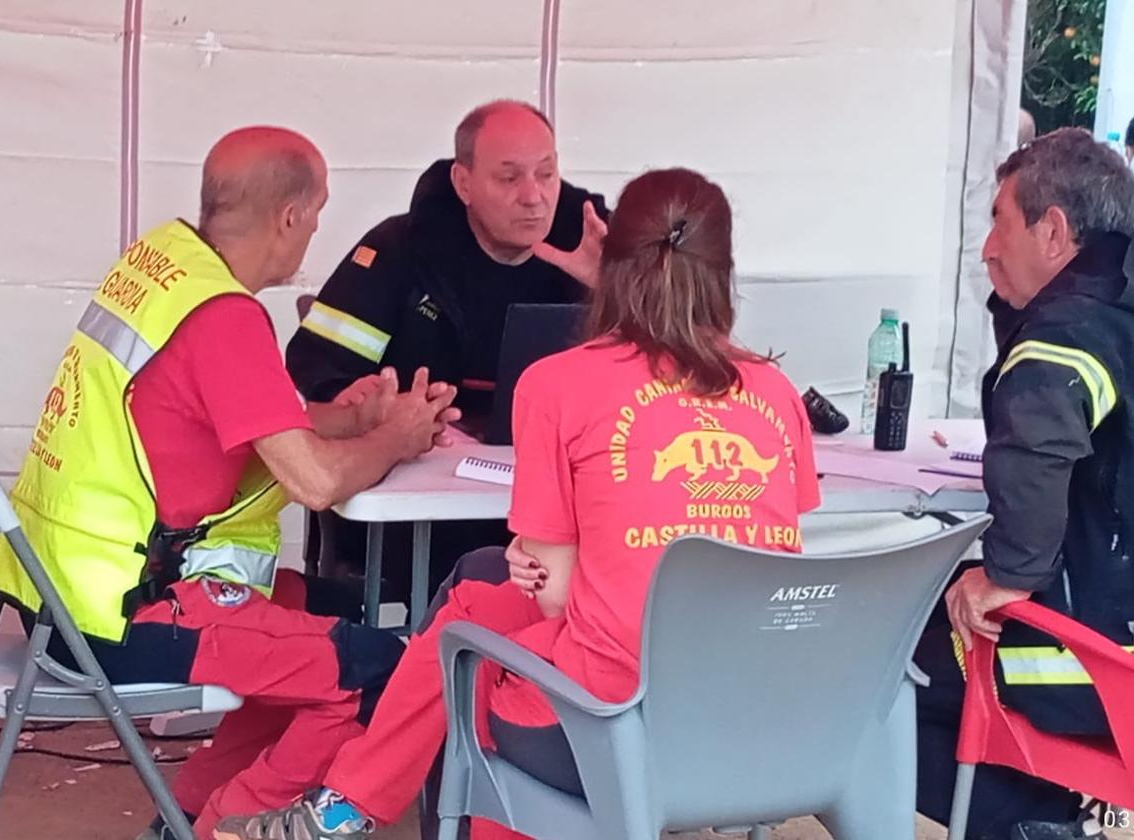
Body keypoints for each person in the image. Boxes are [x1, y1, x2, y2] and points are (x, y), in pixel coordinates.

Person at [214, 167, 822, 840]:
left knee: (468, 654)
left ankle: (347, 807)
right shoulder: (775, 393)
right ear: (725, 270)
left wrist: (554, 554)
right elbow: (755, 544)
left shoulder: (559, 384)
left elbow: (559, 596)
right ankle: (344, 807)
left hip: (609, 722)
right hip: (751, 725)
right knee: (477, 598)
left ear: (614, 261)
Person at [0, 126, 463, 840]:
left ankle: (188, 821)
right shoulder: (224, 318)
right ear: (291, 217)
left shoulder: (164, 266)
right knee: (371, 664)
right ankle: (228, 830)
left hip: (57, 595)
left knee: (308, 615)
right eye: (319, 213)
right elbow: (315, 482)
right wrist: (395, 436)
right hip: (124, 614)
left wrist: (356, 416)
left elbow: (256, 420)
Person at [915, 128, 1134, 840]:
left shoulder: (1071, 331)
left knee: (877, 656)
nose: (986, 249)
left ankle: (1033, 825)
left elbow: (1038, 437)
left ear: (1054, 229)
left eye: (999, 222)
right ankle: (1048, 821)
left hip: (1094, 656)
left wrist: (1006, 573)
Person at [285, 99, 609, 594]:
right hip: (423, 516)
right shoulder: (401, 250)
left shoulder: (595, 246)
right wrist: (372, 403)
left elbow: (663, 380)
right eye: (509, 178)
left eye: (547, 174)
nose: (534, 197)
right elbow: (315, 364)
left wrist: (613, 290)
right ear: (463, 184)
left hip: (557, 511)